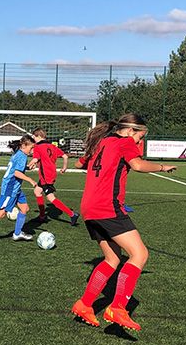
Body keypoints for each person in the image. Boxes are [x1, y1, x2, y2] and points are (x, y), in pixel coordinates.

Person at [69, 114, 176, 332]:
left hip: (89, 208)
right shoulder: (124, 142)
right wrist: (162, 167)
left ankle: (84, 304)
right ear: (129, 131)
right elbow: (137, 165)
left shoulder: (101, 142)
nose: (138, 142)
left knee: (112, 258)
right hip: (107, 207)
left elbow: (80, 164)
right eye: (140, 137)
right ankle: (117, 307)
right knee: (140, 254)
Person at [30, 128, 79, 226]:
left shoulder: (38, 147)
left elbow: (35, 159)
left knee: (50, 197)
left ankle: (72, 214)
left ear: (38, 136)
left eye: (33, 137)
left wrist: (28, 165)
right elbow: (65, 156)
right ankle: (42, 216)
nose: (33, 139)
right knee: (37, 191)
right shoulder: (52, 146)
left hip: (46, 176)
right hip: (51, 173)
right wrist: (64, 168)